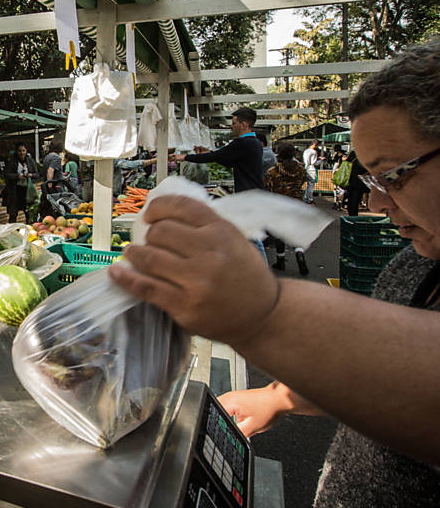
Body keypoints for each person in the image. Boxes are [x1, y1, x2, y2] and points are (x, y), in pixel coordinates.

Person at [108, 39, 440, 504]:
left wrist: (263, 312)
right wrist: (283, 397)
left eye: (395, 175)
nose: (378, 204)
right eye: (372, 181)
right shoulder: (413, 264)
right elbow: (378, 369)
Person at [173, 107, 266, 259]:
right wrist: (207, 153)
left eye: (234, 123)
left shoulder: (243, 143)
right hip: (253, 195)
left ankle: (262, 273)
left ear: (244, 124)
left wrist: (185, 157)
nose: (232, 126)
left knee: (253, 237)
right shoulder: (254, 143)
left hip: (248, 198)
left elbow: (218, 156)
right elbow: (228, 160)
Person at [265, 143, 309, 275]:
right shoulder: (301, 168)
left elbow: (268, 188)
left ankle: (281, 260)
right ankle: (299, 253)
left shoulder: (272, 171)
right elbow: (303, 182)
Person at [4, 142, 38, 223]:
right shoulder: (12, 161)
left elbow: (37, 174)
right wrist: (17, 176)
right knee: (13, 214)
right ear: (16, 151)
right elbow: (6, 174)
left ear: (26, 151)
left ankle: (29, 229)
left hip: (27, 191)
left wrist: (31, 175)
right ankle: (13, 231)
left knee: (28, 213)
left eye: (23, 150)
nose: (22, 153)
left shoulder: (30, 161)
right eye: (19, 151)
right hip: (15, 191)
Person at [342, 149, 369, 216]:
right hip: (359, 181)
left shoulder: (352, 153)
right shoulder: (364, 154)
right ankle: (353, 215)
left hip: (349, 180)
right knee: (356, 199)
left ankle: (350, 213)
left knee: (350, 198)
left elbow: (347, 163)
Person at [302, 139, 320, 203]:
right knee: (311, 185)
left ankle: (305, 197)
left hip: (306, 168)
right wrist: (321, 160)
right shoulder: (314, 152)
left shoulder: (305, 151)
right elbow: (314, 162)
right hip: (311, 169)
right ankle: (309, 198)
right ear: (315, 144)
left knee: (307, 184)